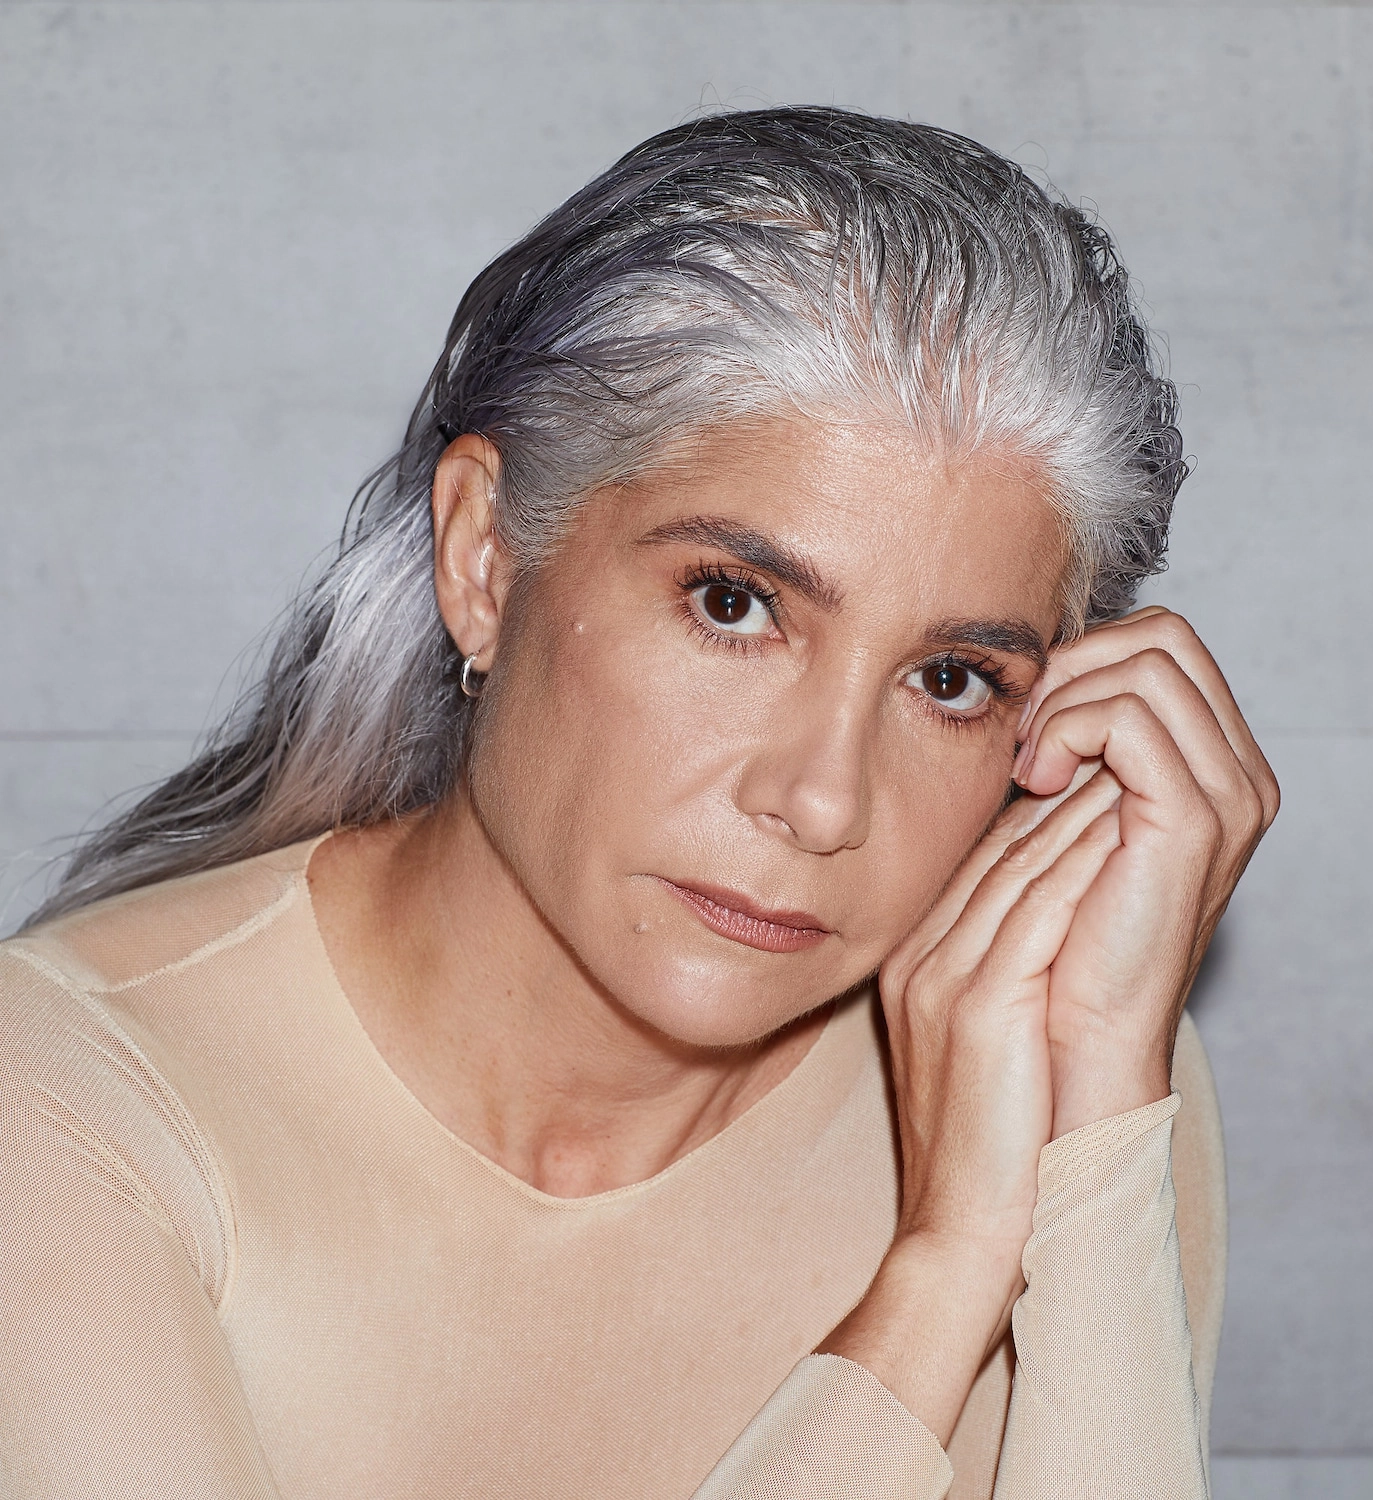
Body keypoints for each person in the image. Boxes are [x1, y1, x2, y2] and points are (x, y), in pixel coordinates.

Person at [0, 107, 1276, 1498]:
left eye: (951, 680)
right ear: (484, 557)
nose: (821, 799)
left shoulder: (1060, 1058)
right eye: (734, 605)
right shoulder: (60, 1108)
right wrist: (945, 1275)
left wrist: (1092, 1150)